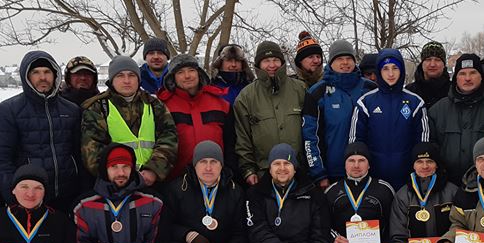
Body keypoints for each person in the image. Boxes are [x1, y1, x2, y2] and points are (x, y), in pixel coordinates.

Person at [0, 50, 82, 210]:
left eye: (47, 72)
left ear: (55, 75)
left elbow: (79, 153)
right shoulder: (10, 110)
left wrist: (81, 190)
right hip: (29, 198)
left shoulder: (71, 109)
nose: (42, 77)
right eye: (36, 72)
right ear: (27, 76)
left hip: (68, 195)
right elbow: (0, 159)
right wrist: (14, 198)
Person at [81, 55, 178, 187]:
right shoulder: (98, 108)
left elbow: (169, 139)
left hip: (153, 182)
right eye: (120, 76)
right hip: (115, 184)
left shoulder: (155, 105)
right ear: (112, 80)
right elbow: (92, 152)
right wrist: (121, 176)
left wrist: (153, 170)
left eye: (131, 75)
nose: (126, 81)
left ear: (138, 79)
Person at [349, 48, 429, 189]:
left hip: (407, 179)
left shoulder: (415, 102)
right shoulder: (365, 102)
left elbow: (422, 144)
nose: (390, 74)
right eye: (385, 68)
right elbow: (356, 143)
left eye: (395, 68)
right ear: (379, 71)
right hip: (373, 179)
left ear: (402, 70)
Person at [302, 39, 375, 188]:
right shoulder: (317, 92)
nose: (345, 62)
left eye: (349, 58)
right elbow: (310, 136)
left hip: (368, 171)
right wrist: (319, 173)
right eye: (339, 59)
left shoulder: (370, 88)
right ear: (331, 62)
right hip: (333, 174)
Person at [233, 40, 306, 186]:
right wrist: (248, 170)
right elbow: (242, 138)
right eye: (266, 61)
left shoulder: (300, 89)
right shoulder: (246, 96)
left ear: (282, 62)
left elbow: (312, 131)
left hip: (299, 172)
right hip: (263, 173)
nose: (272, 65)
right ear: (258, 65)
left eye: (275, 60)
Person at [157, 53, 234, 180]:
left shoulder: (221, 104)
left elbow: (231, 143)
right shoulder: (162, 107)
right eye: (180, 72)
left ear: (199, 73)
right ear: (173, 78)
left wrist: (229, 172)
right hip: (176, 180)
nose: (187, 76)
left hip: (216, 178)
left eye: (191, 70)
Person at [428, 53, 484, 185]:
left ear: (481, 76)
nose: (467, 78)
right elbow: (432, 148)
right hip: (448, 184)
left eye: (473, 73)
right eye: (462, 74)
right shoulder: (438, 110)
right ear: (455, 78)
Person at [405, 40, 451, 108]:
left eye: (437, 60)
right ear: (422, 63)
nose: (432, 64)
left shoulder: (454, 91)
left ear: (444, 64)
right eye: (428, 59)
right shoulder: (409, 92)